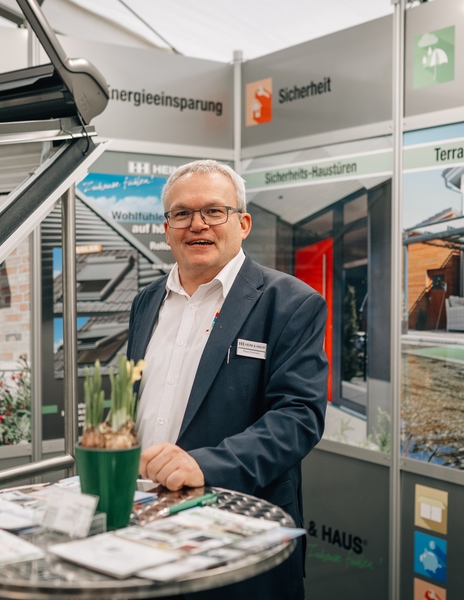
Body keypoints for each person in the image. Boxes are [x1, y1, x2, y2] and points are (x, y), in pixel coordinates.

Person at [127, 159, 328, 599]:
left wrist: (206, 466)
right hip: (145, 527)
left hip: (239, 534)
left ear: (243, 223)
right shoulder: (145, 302)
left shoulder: (290, 303)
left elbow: (299, 417)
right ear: (166, 229)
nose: (197, 224)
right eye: (182, 213)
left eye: (214, 211)